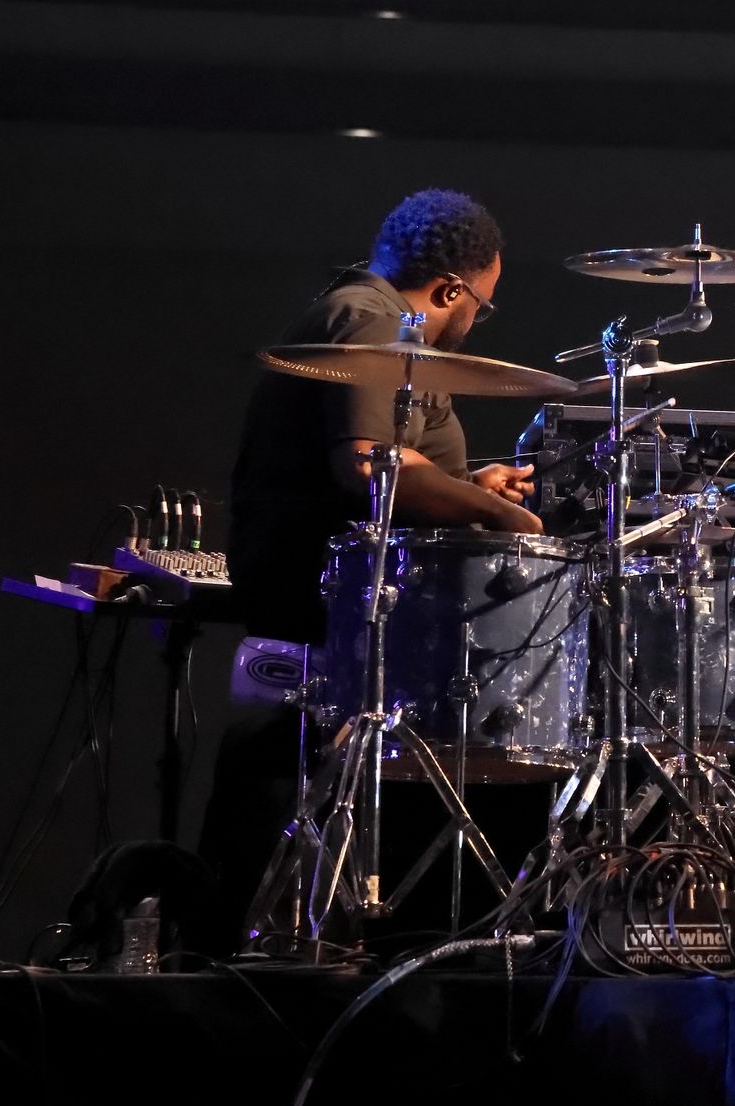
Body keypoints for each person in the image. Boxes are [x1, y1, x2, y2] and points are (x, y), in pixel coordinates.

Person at [201, 190, 543, 952]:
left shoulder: (394, 327)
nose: (475, 321)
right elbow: (367, 466)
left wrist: (470, 486)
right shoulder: (369, 320)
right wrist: (496, 516)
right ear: (450, 290)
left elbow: (401, 467)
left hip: (357, 589)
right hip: (323, 593)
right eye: (481, 305)